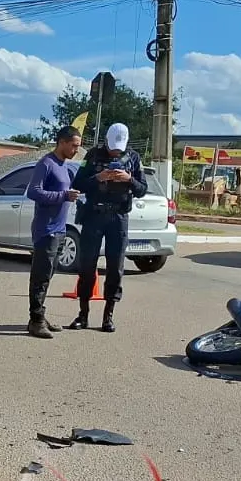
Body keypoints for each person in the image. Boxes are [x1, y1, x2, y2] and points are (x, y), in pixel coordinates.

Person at [67, 123, 146, 333]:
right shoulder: (93, 155)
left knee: (115, 267)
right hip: (94, 215)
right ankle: (83, 314)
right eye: (112, 148)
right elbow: (78, 183)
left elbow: (142, 189)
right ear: (106, 141)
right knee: (87, 265)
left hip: (118, 218)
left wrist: (129, 179)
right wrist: (98, 178)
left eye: (119, 149)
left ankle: (108, 316)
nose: (115, 152)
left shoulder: (133, 158)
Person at [24, 125, 84, 339]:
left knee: (47, 276)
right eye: (74, 146)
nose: (76, 150)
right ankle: (36, 321)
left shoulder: (64, 166)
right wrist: (63, 196)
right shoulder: (46, 163)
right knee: (40, 277)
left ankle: (40, 315)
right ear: (62, 142)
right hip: (45, 231)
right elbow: (33, 192)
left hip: (59, 230)